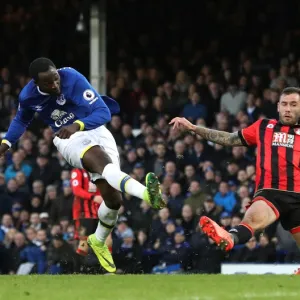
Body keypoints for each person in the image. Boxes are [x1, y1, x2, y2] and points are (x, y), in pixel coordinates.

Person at [0, 57, 165, 273]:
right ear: (36, 84)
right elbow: (22, 119)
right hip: (67, 138)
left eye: (56, 79)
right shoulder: (28, 95)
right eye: (49, 84)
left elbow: (103, 113)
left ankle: (98, 240)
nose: (55, 85)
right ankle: (147, 194)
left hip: (92, 127)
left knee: (114, 200)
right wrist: (6, 143)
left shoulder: (72, 77)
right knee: (104, 164)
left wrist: (77, 124)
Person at [169, 87, 300, 253]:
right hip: (271, 192)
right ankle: (229, 238)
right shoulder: (264, 127)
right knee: (252, 219)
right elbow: (229, 139)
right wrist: (194, 128)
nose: (288, 109)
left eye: (294, 104)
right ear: (278, 106)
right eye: (285, 104)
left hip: (298, 196)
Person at [71, 168, 103, 256]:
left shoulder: (97, 173)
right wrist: (93, 197)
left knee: (100, 242)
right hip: (83, 214)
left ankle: (97, 267)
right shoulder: (78, 172)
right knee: (83, 240)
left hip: (97, 213)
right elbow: (76, 190)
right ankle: (79, 267)